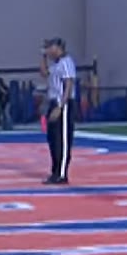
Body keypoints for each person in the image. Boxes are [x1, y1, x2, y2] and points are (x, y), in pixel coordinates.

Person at [39, 37, 77, 185]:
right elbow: (44, 73)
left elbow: (68, 85)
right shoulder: (55, 64)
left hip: (63, 102)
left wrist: (61, 106)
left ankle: (61, 173)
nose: (49, 50)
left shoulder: (66, 62)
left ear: (58, 47)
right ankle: (55, 170)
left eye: (50, 47)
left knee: (63, 139)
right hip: (53, 101)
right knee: (53, 139)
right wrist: (43, 56)